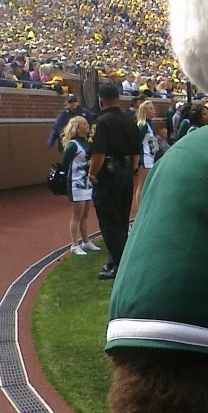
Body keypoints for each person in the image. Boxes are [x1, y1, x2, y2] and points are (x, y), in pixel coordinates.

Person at [87, 83, 141, 281]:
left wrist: (92, 173)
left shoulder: (100, 122)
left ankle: (118, 263)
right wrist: (131, 168)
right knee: (122, 218)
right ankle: (117, 259)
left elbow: (98, 152)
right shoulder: (129, 120)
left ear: (101, 101)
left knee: (110, 222)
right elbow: (136, 151)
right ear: (118, 98)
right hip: (126, 174)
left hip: (108, 175)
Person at [60, 115, 100, 256]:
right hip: (76, 184)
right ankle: (74, 244)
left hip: (87, 183)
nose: (87, 125)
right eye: (84, 124)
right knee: (77, 215)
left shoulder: (87, 142)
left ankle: (86, 241)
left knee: (86, 214)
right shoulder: (73, 145)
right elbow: (65, 164)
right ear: (77, 128)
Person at [134, 99, 157, 213]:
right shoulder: (142, 125)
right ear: (145, 111)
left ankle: (146, 206)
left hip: (150, 157)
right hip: (145, 158)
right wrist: (138, 160)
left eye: (153, 108)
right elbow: (137, 142)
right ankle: (140, 209)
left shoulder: (149, 124)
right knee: (142, 185)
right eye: (151, 109)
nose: (154, 111)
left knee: (148, 184)